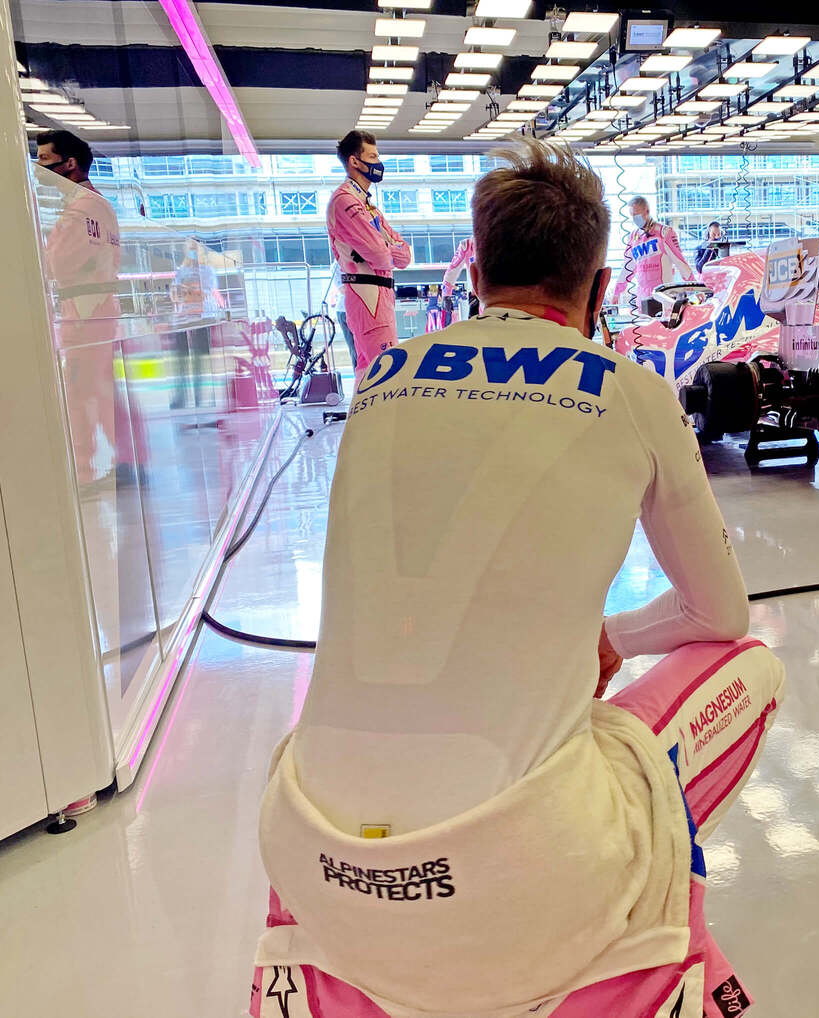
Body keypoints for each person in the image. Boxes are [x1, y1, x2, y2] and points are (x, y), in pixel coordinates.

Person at [251, 140, 784, 1018]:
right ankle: (652, 958)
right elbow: (716, 610)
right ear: (601, 291)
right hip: (523, 883)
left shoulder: (383, 377)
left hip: (309, 860)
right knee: (749, 659)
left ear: (479, 273)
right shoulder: (633, 390)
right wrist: (609, 639)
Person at [38, 129, 149, 490]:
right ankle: (131, 458)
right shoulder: (96, 204)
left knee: (80, 392)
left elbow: (53, 263)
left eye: (44, 160)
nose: (40, 169)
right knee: (103, 390)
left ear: (70, 164)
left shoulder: (81, 208)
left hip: (84, 310)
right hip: (96, 308)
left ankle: (83, 473)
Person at [326, 130, 411, 376]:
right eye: (372, 156)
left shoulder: (367, 205)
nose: (378, 163)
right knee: (384, 375)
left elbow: (404, 256)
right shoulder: (345, 201)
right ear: (354, 161)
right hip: (366, 295)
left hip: (378, 294)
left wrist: (385, 247)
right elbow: (381, 256)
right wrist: (386, 247)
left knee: (369, 373)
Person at [609, 196, 694, 317]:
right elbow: (627, 268)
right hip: (642, 298)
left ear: (647, 211)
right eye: (632, 215)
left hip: (664, 296)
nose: (634, 219)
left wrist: (694, 287)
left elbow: (680, 262)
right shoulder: (633, 237)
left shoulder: (665, 232)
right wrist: (617, 292)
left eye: (637, 214)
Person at [170, 247, 220, 410]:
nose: (193, 254)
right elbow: (175, 291)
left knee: (201, 362)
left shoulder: (207, 271)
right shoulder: (182, 271)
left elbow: (207, 291)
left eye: (195, 250)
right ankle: (181, 398)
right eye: (190, 250)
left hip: (202, 320)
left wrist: (191, 289)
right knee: (181, 362)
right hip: (184, 321)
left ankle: (202, 398)